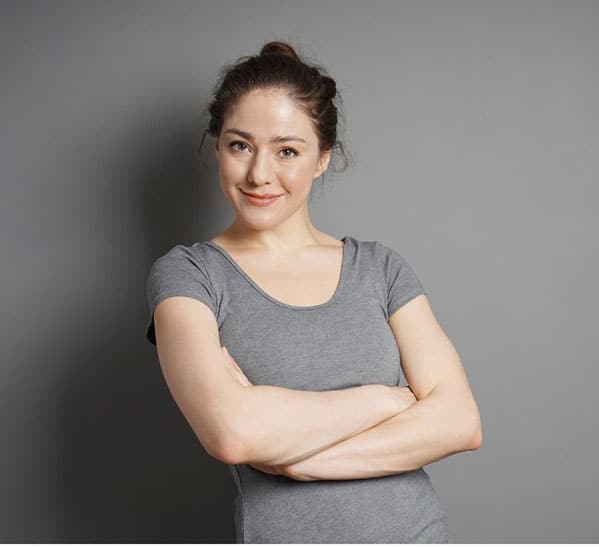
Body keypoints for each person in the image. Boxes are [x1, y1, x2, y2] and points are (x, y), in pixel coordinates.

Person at [144, 40, 482, 543]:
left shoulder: (380, 269)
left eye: (287, 150)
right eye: (240, 145)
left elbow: (459, 421)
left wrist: (303, 462)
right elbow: (231, 433)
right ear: (217, 146)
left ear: (322, 158)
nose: (260, 173)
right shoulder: (190, 276)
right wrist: (385, 401)